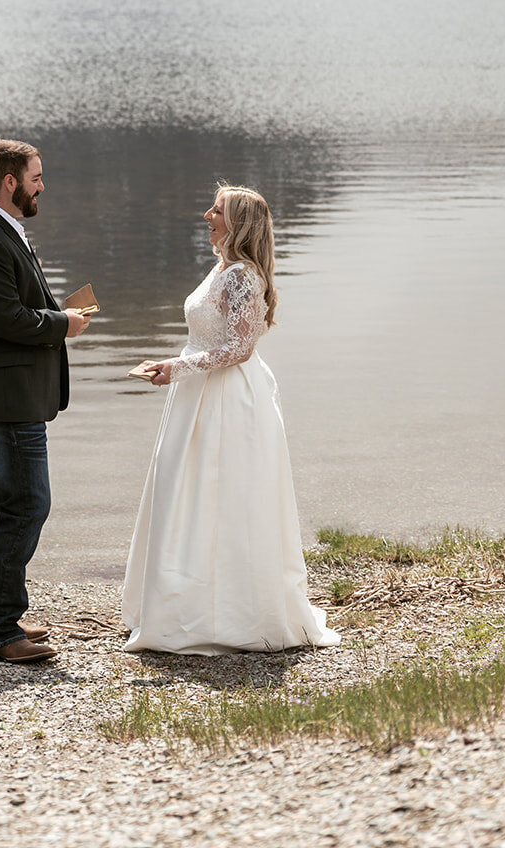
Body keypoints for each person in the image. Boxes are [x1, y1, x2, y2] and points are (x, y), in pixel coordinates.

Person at [122, 184, 339, 655]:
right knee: (187, 494)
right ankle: (182, 603)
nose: (207, 215)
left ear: (238, 222)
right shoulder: (222, 268)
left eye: (216, 211)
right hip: (197, 394)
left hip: (226, 400)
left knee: (226, 495)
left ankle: (232, 614)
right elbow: (211, 337)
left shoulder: (242, 276)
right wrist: (174, 364)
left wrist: (176, 368)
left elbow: (241, 349)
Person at [0, 139, 92, 664]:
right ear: (10, 181)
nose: (41, 186)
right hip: (1, 404)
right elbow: (7, 320)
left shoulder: (0, 231)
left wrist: (58, 313)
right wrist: (63, 324)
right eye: (35, 178)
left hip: (3, 399)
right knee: (27, 504)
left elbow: (12, 305)